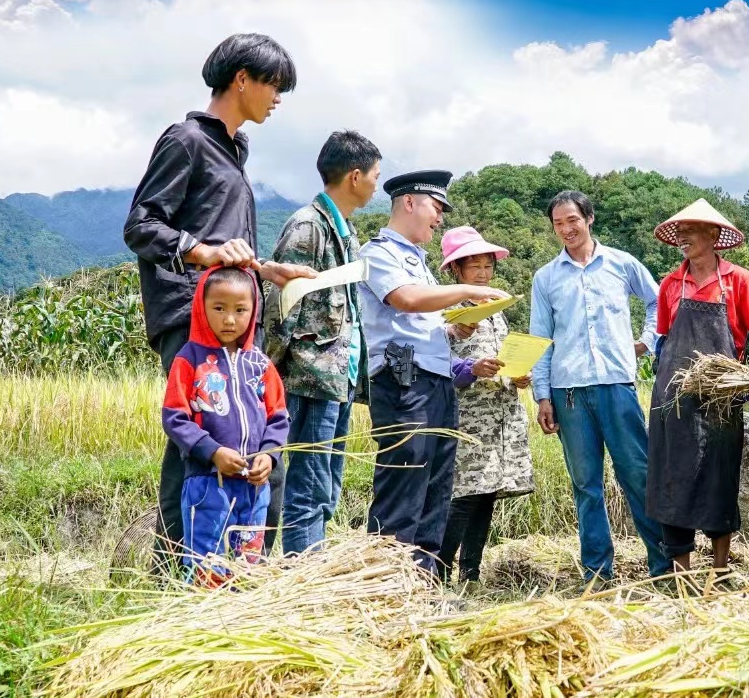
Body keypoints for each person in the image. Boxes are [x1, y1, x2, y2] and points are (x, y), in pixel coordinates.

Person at [124, 33, 316, 568]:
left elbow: (227, 248)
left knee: (254, 445)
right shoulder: (187, 140)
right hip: (195, 317)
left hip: (238, 322)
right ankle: (173, 575)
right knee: (195, 447)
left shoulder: (235, 151)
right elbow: (141, 226)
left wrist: (267, 270)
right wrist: (202, 252)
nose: (277, 99)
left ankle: (241, 572)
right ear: (242, 79)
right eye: (275, 86)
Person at [359, 170, 510, 573]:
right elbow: (406, 300)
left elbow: (419, 323)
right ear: (409, 203)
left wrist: (452, 329)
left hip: (437, 381)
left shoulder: (418, 261)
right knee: (404, 482)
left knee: (436, 487)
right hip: (404, 383)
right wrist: (468, 291)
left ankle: (423, 582)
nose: (439, 218)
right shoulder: (378, 253)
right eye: (436, 208)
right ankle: (387, 580)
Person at [530, 190, 671, 583]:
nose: (566, 229)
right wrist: (542, 395)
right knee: (586, 485)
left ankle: (663, 568)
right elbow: (540, 338)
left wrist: (647, 340)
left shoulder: (621, 264)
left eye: (572, 220)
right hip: (569, 392)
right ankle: (597, 573)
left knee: (638, 475)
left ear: (589, 218)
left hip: (616, 384)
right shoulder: (546, 278)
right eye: (558, 224)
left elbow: (659, 301)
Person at [646, 199, 749, 581]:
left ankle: (720, 572)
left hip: (720, 398)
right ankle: (682, 578)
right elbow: (664, 341)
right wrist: (662, 372)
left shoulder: (738, 280)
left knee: (719, 478)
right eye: (680, 231)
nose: (683, 236)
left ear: (713, 234)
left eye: (690, 229)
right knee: (672, 479)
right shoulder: (670, 285)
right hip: (674, 399)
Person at [263, 131, 380, 555]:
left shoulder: (345, 231)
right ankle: (302, 570)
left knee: (327, 483)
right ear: (354, 176)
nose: (377, 184)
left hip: (337, 378)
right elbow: (281, 304)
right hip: (309, 377)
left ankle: (313, 564)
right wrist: (269, 370)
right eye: (375, 175)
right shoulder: (308, 227)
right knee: (308, 485)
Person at [161, 266, 290, 586]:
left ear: (253, 312)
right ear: (201, 309)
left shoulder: (260, 364)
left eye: (240, 310)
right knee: (208, 566)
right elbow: (175, 416)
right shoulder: (189, 360)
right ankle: (207, 613)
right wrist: (212, 451)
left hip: (254, 487)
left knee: (248, 567)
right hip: (208, 484)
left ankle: (243, 611)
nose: (229, 319)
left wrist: (269, 455)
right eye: (219, 308)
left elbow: (278, 416)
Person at [435, 227, 535, 584]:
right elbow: (433, 364)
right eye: (473, 266)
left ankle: (471, 574)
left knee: (486, 493)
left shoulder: (496, 311)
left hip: (500, 417)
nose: (482, 273)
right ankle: (438, 572)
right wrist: (471, 370)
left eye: (487, 266)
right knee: (464, 495)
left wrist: (519, 377)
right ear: (456, 270)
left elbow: (503, 357)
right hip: (467, 419)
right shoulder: (444, 310)